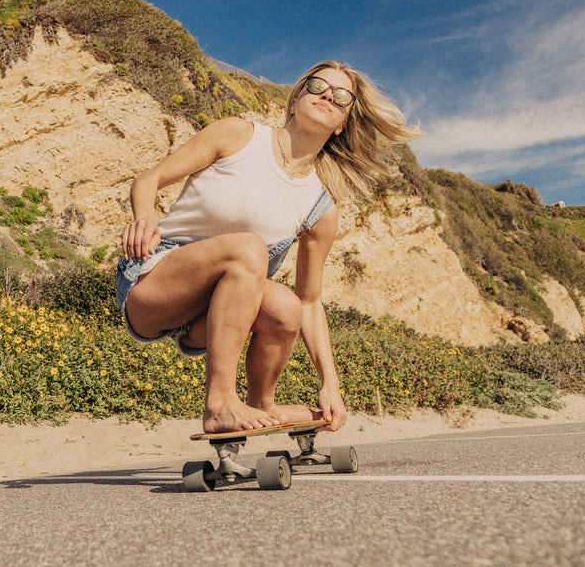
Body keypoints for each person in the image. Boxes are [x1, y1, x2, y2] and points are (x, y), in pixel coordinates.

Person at [115, 61, 423, 434]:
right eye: (317, 85)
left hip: (214, 315)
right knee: (249, 249)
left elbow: (310, 302)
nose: (327, 94)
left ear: (342, 123)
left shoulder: (320, 205)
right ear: (295, 99)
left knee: (286, 307)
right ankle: (220, 403)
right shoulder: (238, 135)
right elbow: (150, 179)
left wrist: (331, 383)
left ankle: (261, 405)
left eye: (341, 96)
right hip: (153, 281)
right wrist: (145, 217)